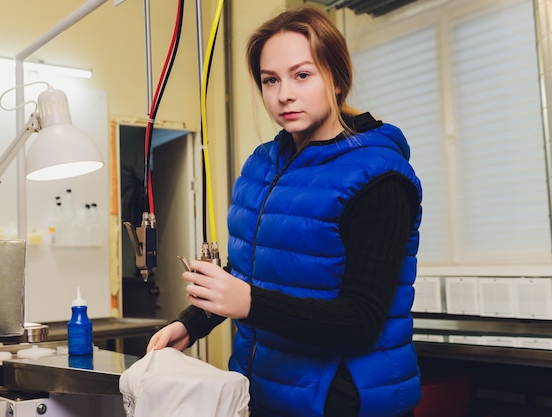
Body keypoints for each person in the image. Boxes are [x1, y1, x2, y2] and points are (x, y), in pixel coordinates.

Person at [147, 6, 422, 417]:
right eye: (269, 80)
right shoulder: (262, 167)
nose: (284, 94)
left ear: (337, 77)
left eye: (302, 75)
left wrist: (248, 302)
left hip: (342, 399)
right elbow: (247, 279)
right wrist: (191, 322)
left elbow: (361, 320)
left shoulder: (380, 178)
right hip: (260, 392)